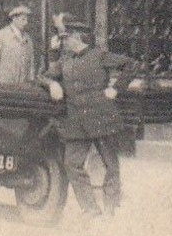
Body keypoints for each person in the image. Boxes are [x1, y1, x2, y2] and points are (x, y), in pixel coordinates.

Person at [46, 14, 139, 222]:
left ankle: (110, 205)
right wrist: (52, 82)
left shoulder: (99, 55)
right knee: (71, 163)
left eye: (65, 38)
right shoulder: (65, 60)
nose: (63, 42)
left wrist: (115, 89)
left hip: (101, 117)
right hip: (76, 120)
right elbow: (46, 75)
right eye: (61, 39)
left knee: (111, 165)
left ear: (77, 37)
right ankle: (90, 208)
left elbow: (131, 65)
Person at [0, 5, 36, 84]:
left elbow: (31, 62)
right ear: (14, 19)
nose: (26, 23)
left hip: (23, 85)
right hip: (4, 84)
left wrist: (31, 79)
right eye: (23, 19)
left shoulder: (28, 39)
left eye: (27, 20)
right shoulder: (0, 35)